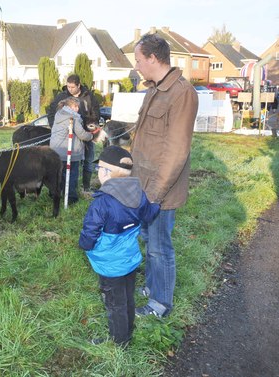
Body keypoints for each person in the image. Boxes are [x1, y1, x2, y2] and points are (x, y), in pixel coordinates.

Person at [131, 33, 199, 318]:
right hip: (142, 184)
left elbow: (176, 150)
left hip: (161, 190)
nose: (136, 66)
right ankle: (151, 286)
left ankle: (160, 303)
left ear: (153, 58)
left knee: (160, 248)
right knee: (148, 240)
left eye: (138, 60)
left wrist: (155, 194)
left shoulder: (182, 93)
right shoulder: (154, 89)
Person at [79, 146, 160, 346]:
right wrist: (157, 204)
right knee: (128, 297)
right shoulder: (139, 193)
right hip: (129, 258)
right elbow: (149, 214)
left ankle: (120, 342)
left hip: (110, 264)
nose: (98, 171)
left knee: (115, 303)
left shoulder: (102, 202)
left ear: (106, 172)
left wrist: (85, 246)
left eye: (99, 167)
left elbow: (90, 231)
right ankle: (127, 331)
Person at [48, 74, 100, 193]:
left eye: (72, 87)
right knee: (67, 166)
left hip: (85, 134)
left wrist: (90, 128)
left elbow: (96, 112)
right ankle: (64, 191)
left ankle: (86, 187)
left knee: (88, 161)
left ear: (78, 85)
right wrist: (55, 127)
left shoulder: (89, 96)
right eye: (68, 86)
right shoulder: (61, 96)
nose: (70, 89)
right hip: (67, 137)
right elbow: (52, 112)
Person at [50, 97, 95, 205]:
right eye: (76, 106)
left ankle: (54, 194)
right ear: (71, 106)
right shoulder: (72, 118)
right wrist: (92, 136)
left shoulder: (59, 114)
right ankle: (71, 198)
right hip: (69, 152)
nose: (78, 109)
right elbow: (82, 135)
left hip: (55, 151)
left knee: (58, 175)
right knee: (71, 176)